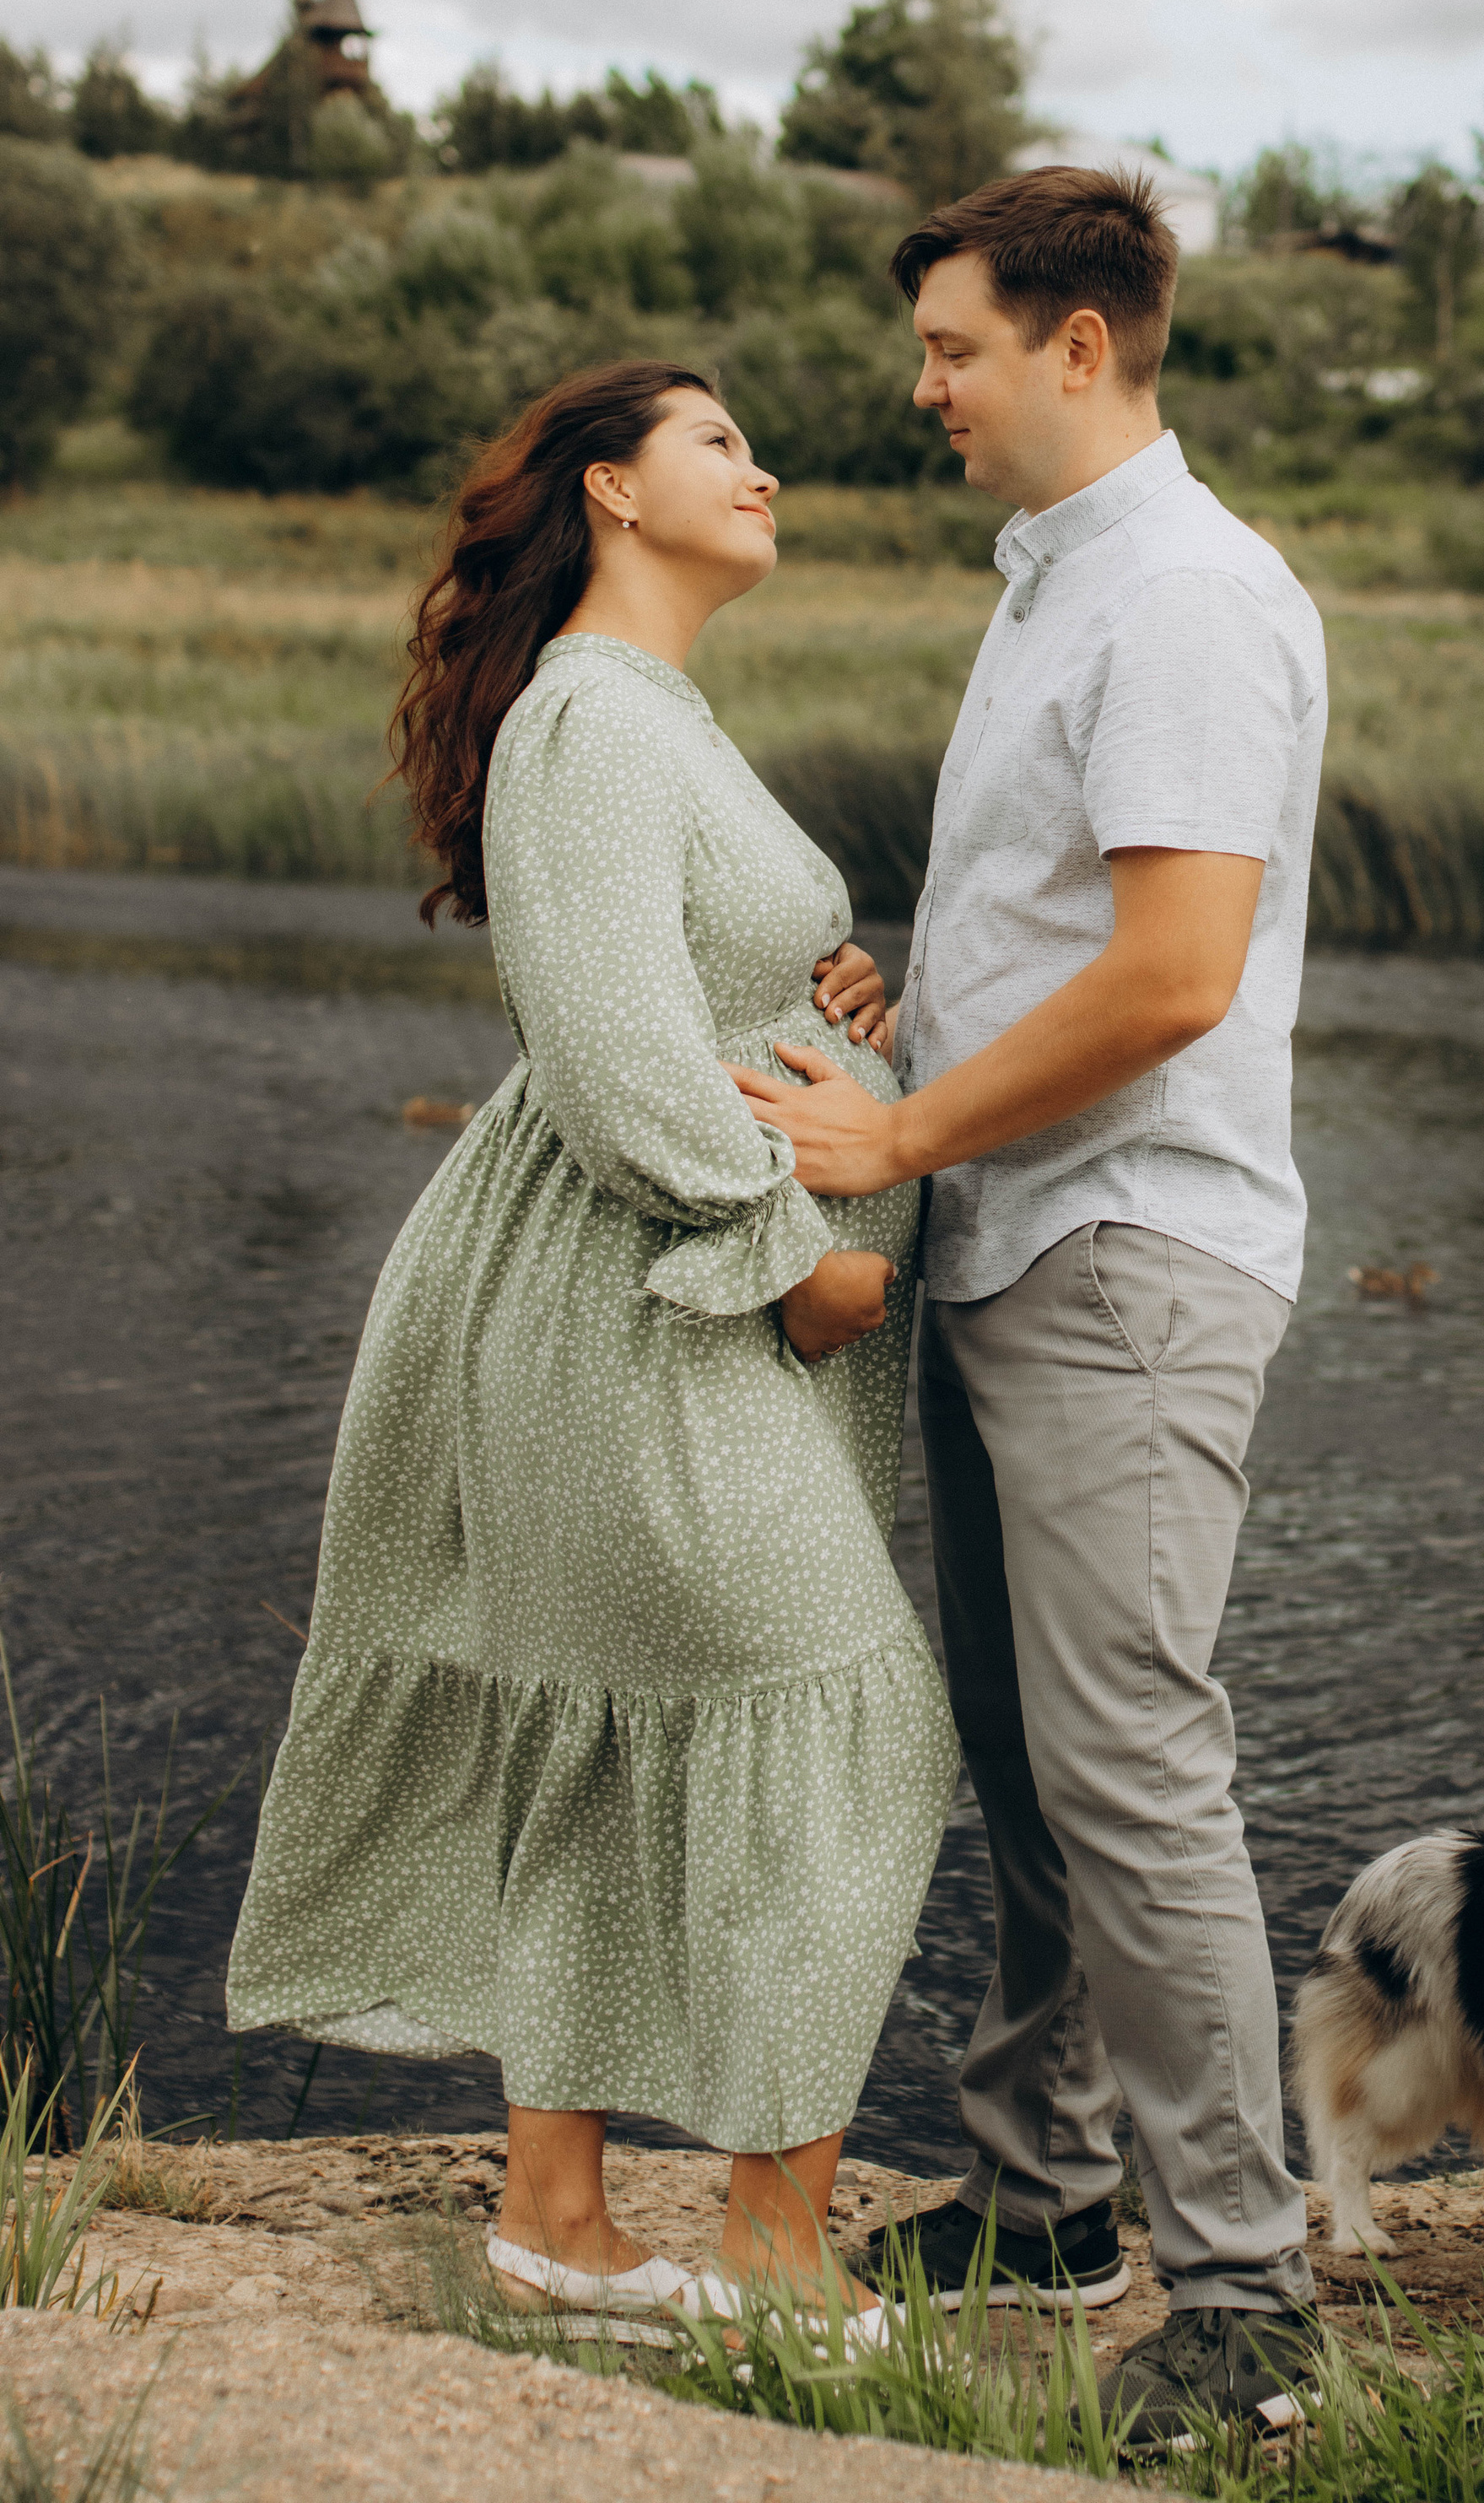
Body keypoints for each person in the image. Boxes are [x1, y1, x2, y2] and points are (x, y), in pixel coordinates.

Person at [228, 359, 958, 2333]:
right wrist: (786, 1251)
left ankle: (557, 2218)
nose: (766, 464)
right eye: (720, 440)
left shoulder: (651, 721)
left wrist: (833, 984)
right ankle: (778, 2252)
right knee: (852, 1718)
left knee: (619, 1717)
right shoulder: (587, 717)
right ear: (614, 491)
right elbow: (612, 1052)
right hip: (636, 1295)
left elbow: (676, 980)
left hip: (646, 1295)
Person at [729, 168, 1330, 2439]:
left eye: (956, 348)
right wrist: (921, 990)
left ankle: (1251, 2306)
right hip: (1023, 1237)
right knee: (1033, 1767)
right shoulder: (1068, 586)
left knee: (1132, 1775)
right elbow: (1083, 925)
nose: (925, 391)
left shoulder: (1181, 596)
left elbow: (1179, 976)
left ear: (1081, 346)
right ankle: (1049, 2195)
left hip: (1124, 1260)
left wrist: (895, 1134)